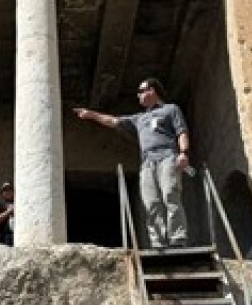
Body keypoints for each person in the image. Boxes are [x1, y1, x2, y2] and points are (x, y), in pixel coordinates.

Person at [75, 77, 192, 248]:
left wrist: (183, 153)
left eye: (141, 91)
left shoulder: (170, 109)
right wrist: (91, 115)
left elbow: (182, 132)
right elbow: (113, 121)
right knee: (151, 202)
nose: (138, 95)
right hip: (147, 162)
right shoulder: (139, 119)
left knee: (170, 195)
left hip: (167, 156)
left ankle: (177, 238)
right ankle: (158, 243)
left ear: (152, 90)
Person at [0, 181, 15, 246]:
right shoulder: (0, 206)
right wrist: (9, 211)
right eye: (5, 190)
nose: (7, 192)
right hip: (5, 237)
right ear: (2, 193)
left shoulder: (20, 205)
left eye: (9, 189)